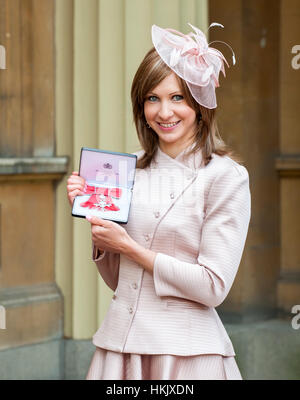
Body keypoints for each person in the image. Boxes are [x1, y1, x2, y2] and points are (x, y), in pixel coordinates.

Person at [67, 23, 251, 380]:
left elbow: (213, 286)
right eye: (152, 98)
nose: (164, 112)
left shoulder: (225, 177)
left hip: (186, 355)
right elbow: (121, 280)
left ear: (199, 103)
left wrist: (131, 248)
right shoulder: (126, 169)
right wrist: (99, 226)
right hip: (121, 347)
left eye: (177, 97)